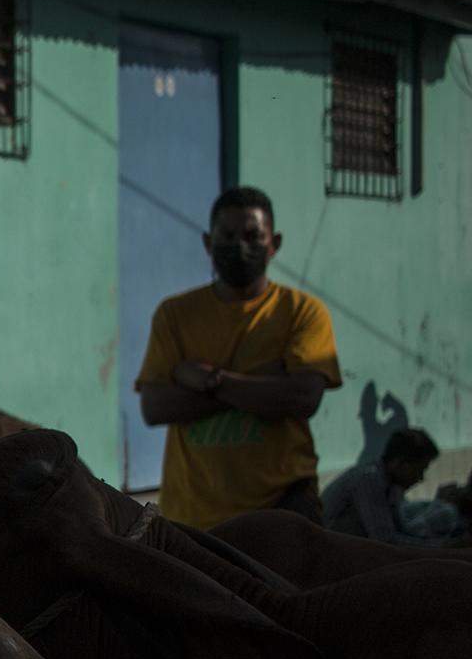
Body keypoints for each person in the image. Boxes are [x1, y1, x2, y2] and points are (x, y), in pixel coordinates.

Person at [135, 186, 343, 530]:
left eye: (252, 236)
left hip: (282, 508)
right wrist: (265, 382)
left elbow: (304, 397)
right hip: (193, 515)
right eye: (227, 236)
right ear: (207, 242)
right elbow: (156, 407)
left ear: (274, 244)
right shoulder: (175, 315)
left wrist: (209, 379)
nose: (240, 247)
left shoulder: (302, 312)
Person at [322, 428, 469, 545]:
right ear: (400, 463)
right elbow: (386, 541)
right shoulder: (369, 480)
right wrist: (442, 547)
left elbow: (403, 532)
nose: (420, 478)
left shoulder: (390, 487)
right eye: (419, 469)